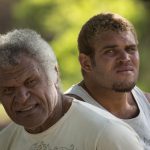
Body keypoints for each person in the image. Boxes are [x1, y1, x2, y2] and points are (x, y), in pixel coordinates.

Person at [0, 29, 143, 150]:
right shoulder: (5, 142)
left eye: (31, 82)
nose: (22, 98)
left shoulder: (108, 135)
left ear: (55, 74)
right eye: (8, 90)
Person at [65, 12, 150, 150]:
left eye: (131, 49)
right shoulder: (66, 117)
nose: (125, 58)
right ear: (86, 63)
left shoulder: (147, 104)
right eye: (110, 51)